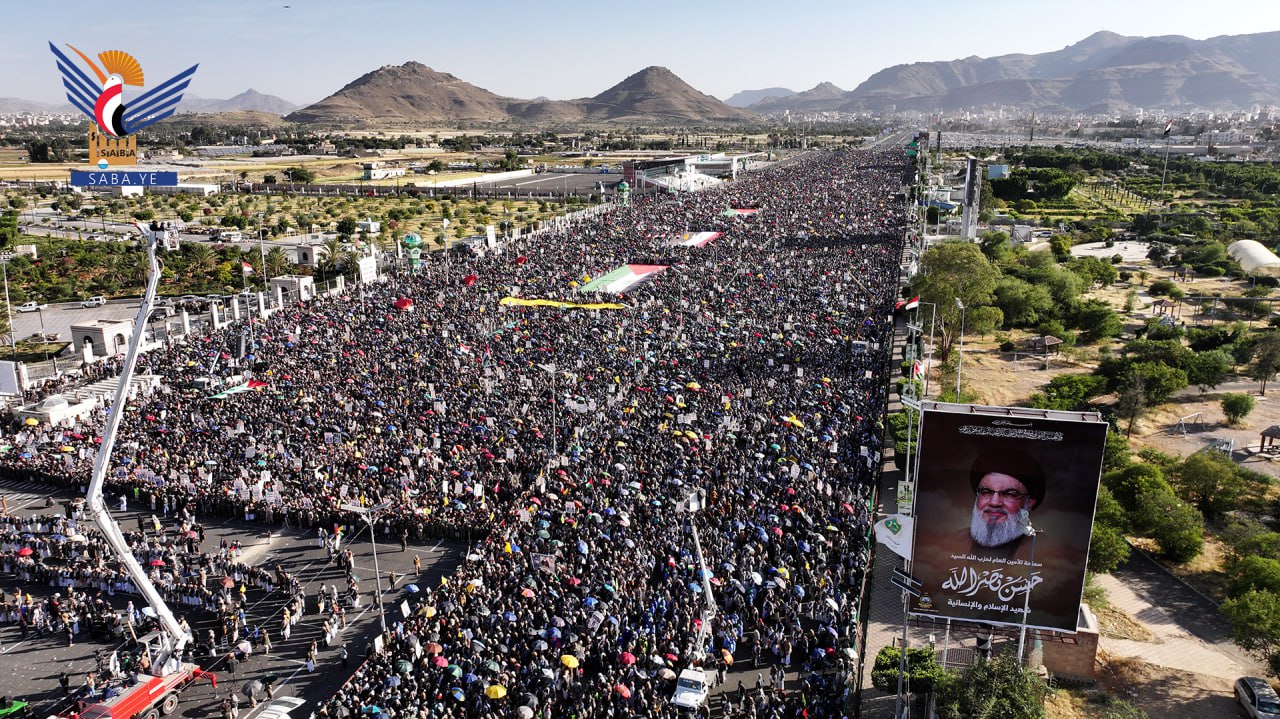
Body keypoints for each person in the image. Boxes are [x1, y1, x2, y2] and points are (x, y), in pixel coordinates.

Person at [967, 449, 1044, 551]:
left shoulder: (1047, 549)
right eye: (986, 492)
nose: (994, 503)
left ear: (1029, 503)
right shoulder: (952, 541)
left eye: (1009, 494)